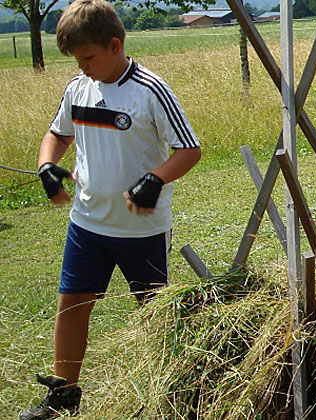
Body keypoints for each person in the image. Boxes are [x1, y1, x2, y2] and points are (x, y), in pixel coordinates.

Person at [19, 0, 201, 418]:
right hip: (87, 223)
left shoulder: (151, 90)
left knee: (155, 311)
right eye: (76, 59)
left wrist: (155, 179)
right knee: (72, 305)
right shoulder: (77, 88)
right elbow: (57, 134)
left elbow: (188, 149)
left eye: (88, 57)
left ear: (114, 45)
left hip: (142, 230)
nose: (82, 67)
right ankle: (63, 396)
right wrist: (46, 165)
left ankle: (174, 390)